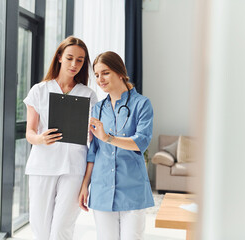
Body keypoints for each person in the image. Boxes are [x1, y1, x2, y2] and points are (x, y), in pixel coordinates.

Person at [23, 36, 97, 240]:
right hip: (42, 166)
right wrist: (40, 139)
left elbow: (92, 138)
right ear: (59, 57)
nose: (74, 64)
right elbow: (30, 132)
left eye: (80, 60)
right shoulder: (39, 90)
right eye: (70, 58)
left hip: (74, 167)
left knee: (61, 230)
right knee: (41, 230)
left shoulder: (88, 94)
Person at [78, 51, 154, 240]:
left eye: (105, 73)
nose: (100, 79)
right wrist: (84, 185)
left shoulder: (142, 104)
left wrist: (108, 137)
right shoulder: (98, 108)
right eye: (96, 75)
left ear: (120, 72)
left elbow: (141, 142)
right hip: (102, 188)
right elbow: (93, 151)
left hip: (132, 189)